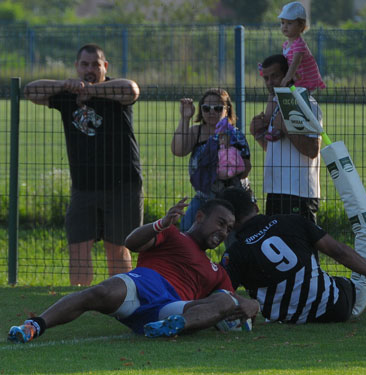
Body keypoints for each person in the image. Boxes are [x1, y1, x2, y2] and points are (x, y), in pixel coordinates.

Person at [8, 198, 260, 343]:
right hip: (143, 285)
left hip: (171, 308)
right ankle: (34, 326)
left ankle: (171, 326)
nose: (224, 232)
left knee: (226, 300)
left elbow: (231, 302)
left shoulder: (217, 271)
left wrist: (252, 305)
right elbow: (131, 243)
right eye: (220, 223)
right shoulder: (172, 235)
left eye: (228, 228)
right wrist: (160, 224)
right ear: (200, 217)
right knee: (100, 292)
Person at [23, 43, 143, 286]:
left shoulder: (114, 91)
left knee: (117, 248)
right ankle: (79, 302)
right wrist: (64, 85)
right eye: (85, 64)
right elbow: (30, 91)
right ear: (77, 67)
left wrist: (93, 91)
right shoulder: (68, 95)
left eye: (95, 65)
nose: (90, 69)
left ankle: (120, 300)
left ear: (104, 67)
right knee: (78, 247)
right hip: (83, 186)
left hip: (122, 184)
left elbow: (132, 89)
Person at [219, 187, 366, 324]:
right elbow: (338, 251)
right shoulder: (294, 222)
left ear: (231, 220)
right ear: (256, 206)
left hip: (281, 318)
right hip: (333, 308)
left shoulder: (235, 252)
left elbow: (223, 293)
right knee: (341, 283)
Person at [250, 54, 321, 223]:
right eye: (266, 78)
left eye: (274, 76)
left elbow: (312, 150)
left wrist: (288, 128)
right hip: (274, 189)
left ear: (287, 74)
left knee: (301, 247)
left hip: (299, 192)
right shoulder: (276, 104)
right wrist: (258, 134)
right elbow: (274, 147)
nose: (269, 82)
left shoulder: (306, 104)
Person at [171, 88, 252, 232]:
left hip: (232, 196)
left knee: (236, 237)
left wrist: (227, 164)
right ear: (201, 110)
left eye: (218, 108)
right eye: (206, 108)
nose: (211, 112)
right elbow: (178, 151)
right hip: (204, 195)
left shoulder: (235, 134)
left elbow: (246, 169)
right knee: (187, 230)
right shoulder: (197, 132)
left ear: (227, 110)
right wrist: (185, 118)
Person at [278, 1, 326, 91]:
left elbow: (295, 63)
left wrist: (286, 78)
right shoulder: (286, 45)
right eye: (282, 22)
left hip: (304, 83)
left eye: (289, 23)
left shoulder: (299, 44)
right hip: (295, 82)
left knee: (300, 102)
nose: (285, 26)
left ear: (301, 25)